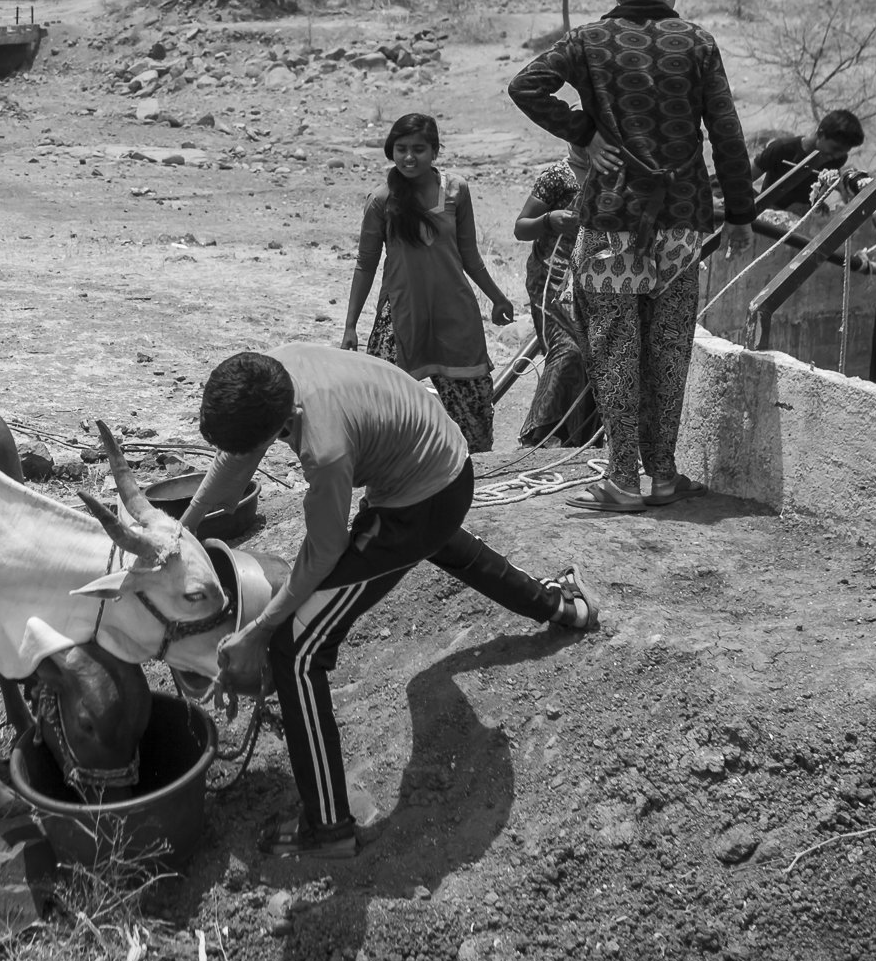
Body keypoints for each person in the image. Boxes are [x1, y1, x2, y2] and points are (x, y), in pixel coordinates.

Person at [184, 346, 599, 859]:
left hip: (420, 501)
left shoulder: (326, 448)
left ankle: (329, 828)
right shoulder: (273, 373)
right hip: (440, 462)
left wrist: (260, 629)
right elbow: (237, 454)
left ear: (280, 425)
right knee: (447, 545)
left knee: (296, 650)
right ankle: (562, 607)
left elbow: (321, 556)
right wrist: (184, 529)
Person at [507, 0, 758, 513]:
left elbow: (526, 86)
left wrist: (584, 132)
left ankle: (622, 477)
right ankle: (663, 475)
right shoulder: (696, 42)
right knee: (669, 346)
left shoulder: (589, 41)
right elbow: (726, 132)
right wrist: (742, 213)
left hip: (612, 219)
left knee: (614, 342)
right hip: (681, 221)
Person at [342, 114, 516, 453]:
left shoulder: (456, 190)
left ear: (434, 151)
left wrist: (498, 298)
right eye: (402, 149)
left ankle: (473, 479)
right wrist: (350, 326)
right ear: (391, 151)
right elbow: (366, 264)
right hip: (402, 314)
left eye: (419, 149)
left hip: (454, 313)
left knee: (473, 416)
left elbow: (469, 255)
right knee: (381, 403)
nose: (409, 157)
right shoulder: (381, 200)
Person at [511, 150, 601, 448]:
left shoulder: (613, 171)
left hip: (595, 275)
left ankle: (579, 437)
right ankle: (540, 432)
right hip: (552, 273)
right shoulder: (557, 176)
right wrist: (549, 220)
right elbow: (521, 227)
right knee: (569, 348)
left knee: (597, 349)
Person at [753, 110, 865, 214]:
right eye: (835, 148)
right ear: (821, 134)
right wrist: (772, 209)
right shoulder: (782, 149)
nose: (836, 155)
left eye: (843, 152)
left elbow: (820, 191)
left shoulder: (837, 160)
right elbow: (741, 182)